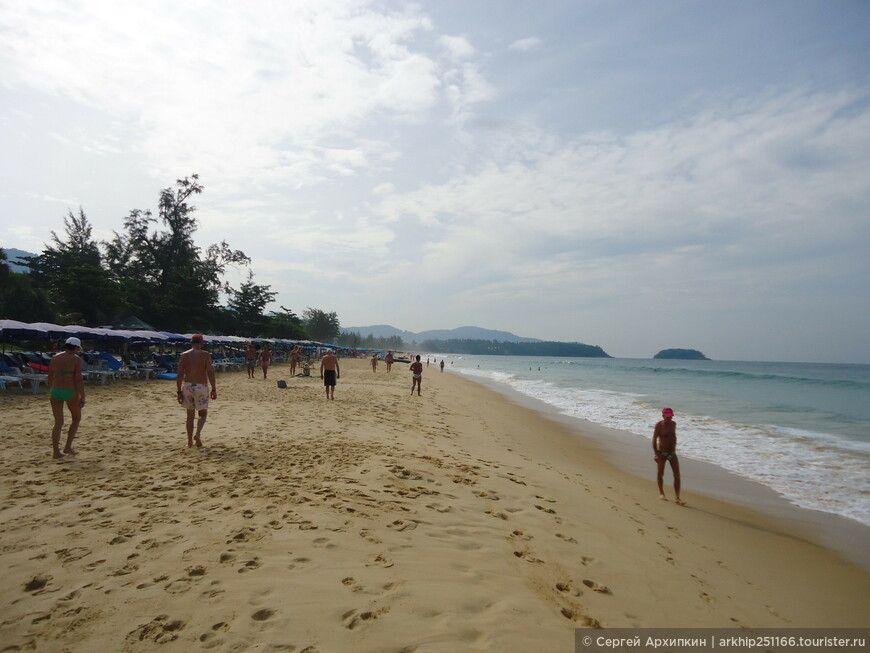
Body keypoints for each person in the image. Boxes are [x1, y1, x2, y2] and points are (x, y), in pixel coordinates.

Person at [47, 337, 86, 459]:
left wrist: (52, 389)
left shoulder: (55, 357)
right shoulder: (76, 359)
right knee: (76, 418)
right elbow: (78, 379)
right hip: (70, 390)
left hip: (55, 390)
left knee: (58, 422)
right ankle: (68, 446)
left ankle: (56, 452)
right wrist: (82, 396)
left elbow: (50, 376)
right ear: (75, 347)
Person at [177, 334, 217, 448]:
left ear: (191, 342)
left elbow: (180, 374)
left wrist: (179, 391)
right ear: (202, 343)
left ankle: (189, 442)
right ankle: (198, 434)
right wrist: (214, 388)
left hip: (188, 386)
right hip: (201, 386)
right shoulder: (205, 355)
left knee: (190, 416)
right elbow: (210, 372)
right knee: (202, 414)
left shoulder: (184, 355)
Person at [653, 407, 685, 505]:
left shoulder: (673, 424)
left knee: (677, 475)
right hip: (662, 453)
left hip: (672, 453)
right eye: (667, 417)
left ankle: (677, 497)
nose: (669, 418)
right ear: (663, 416)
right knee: (660, 473)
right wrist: (656, 453)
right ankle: (661, 493)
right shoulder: (659, 425)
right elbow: (654, 439)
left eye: (670, 416)